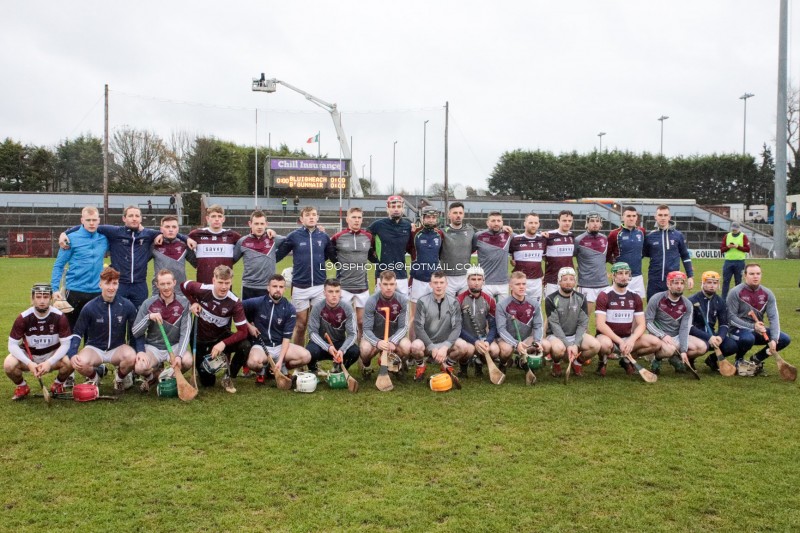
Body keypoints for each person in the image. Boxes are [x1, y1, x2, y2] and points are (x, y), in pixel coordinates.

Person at [60, 205, 181, 310]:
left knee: (137, 319)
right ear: (124, 218)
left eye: (137, 216)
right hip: (119, 284)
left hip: (140, 285)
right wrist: (65, 233)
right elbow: (89, 225)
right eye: (131, 215)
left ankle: (135, 338)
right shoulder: (114, 232)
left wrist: (187, 238)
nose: (134, 218)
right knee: (117, 319)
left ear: (141, 218)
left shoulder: (148, 234)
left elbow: (171, 233)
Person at [67, 268, 139, 393]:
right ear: (100, 284)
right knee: (80, 362)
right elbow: (78, 332)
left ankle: (119, 378)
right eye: (107, 283)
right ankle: (95, 377)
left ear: (118, 284)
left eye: (114, 283)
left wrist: (139, 351)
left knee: (132, 357)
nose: (111, 287)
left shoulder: (127, 305)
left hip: (117, 348)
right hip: (95, 348)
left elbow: (135, 333)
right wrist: (73, 353)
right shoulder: (90, 307)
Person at [181, 265, 249, 389]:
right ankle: (202, 369)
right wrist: (193, 302)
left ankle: (228, 376)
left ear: (231, 281)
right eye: (220, 282)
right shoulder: (202, 289)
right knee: (208, 383)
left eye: (227, 283)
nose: (224, 287)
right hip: (200, 339)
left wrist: (223, 343)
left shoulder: (235, 302)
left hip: (219, 338)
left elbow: (243, 332)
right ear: (213, 280)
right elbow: (183, 286)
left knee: (245, 345)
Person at [276, 206, 336, 345]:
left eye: (314, 214)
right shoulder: (294, 236)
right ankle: (299, 361)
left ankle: (313, 357)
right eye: (307, 215)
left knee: (318, 325)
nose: (311, 217)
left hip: (319, 286)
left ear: (317, 217)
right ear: (301, 219)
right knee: (301, 325)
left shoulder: (323, 236)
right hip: (300, 287)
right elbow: (278, 255)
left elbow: (332, 257)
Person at [5, 284, 72, 400]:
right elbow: (12, 345)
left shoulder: (60, 317)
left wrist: (49, 362)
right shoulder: (23, 318)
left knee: (71, 361)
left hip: (52, 356)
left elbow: (66, 344)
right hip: (30, 357)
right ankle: (22, 387)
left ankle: (58, 384)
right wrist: (29, 363)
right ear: (32, 299)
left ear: (51, 299)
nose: (42, 301)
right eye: (38, 296)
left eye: (46, 297)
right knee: (8, 365)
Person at [595, 263, 661, 377]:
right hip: (608, 338)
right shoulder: (604, 295)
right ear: (613, 276)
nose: (624, 276)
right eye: (620, 273)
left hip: (627, 337)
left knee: (656, 343)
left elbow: (641, 324)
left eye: (626, 273)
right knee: (603, 344)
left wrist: (631, 340)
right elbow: (600, 325)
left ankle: (626, 360)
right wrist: (620, 342)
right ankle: (602, 362)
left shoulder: (635, 296)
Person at [132, 270, 193, 391]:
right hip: (154, 348)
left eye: (169, 283)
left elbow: (185, 333)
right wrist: (148, 317)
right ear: (157, 285)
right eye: (162, 284)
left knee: (187, 361)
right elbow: (135, 332)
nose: (166, 287)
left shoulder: (184, 303)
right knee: (140, 367)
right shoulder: (148, 303)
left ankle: (168, 375)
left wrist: (179, 356)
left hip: (174, 346)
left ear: (174, 283)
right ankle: (152, 376)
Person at [244, 274, 311, 384]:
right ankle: (263, 369)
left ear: (285, 289)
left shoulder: (290, 308)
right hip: (261, 346)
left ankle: (282, 367)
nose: (277, 290)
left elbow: (286, 338)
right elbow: (237, 309)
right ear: (268, 288)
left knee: (306, 356)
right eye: (274, 286)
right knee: (252, 363)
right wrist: (249, 325)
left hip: (281, 346)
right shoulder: (258, 302)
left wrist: (280, 360)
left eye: (281, 287)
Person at [727, 263, 792, 374]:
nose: (755, 276)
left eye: (758, 274)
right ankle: (739, 359)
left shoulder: (767, 294)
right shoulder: (735, 292)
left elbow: (774, 318)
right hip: (736, 330)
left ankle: (756, 359)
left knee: (784, 339)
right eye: (752, 274)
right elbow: (731, 318)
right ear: (745, 276)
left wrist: (774, 339)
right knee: (748, 338)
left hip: (757, 329)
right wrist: (753, 326)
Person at [50, 206, 108, 329]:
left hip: (97, 292)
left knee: (93, 334)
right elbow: (59, 265)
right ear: (82, 220)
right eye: (88, 220)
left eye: (94, 220)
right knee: (70, 332)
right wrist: (55, 289)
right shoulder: (70, 239)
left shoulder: (104, 239)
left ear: (99, 220)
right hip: (74, 291)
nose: (91, 223)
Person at [645, 271, 707, 375]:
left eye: (682, 283)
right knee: (669, 350)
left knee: (702, 347)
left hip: (677, 336)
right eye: (675, 283)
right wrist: (662, 335)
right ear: (668, 284)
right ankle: (657, 359)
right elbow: (648, 322)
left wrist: (683, 351)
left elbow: (684, 328)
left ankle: (675, 357)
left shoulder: (687, 304)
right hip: (659, 336)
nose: (679, 286)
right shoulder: (657, 298)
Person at [544, 267, 601, 377]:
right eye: (565, 279)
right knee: (558, 349)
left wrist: (575, 344)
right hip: (555, 336)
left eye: (571, 279)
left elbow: (582, 323)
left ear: (575, 281)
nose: (568, 282)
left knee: (596, 345)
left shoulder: (581, 298)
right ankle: (556, 364)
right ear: (559, 281)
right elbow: (554, 325)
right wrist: (568, 344)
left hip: (575, 335)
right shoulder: (551, 299)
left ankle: (577, 363)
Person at [409, 270, 462, 382]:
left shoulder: (453, 302)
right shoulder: (422, 301)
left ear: (446, 284)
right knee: (415, 346)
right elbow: (418, 327)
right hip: (427, 343)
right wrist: (431, 346)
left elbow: (457, 327)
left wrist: (445, 346)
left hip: (445, 343)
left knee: (463, 346)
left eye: (441, 282)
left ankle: (447, 365)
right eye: (436, 282)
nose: (438, 286)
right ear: (430, 284)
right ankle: (421, 366)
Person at [330, 207, 372, 339]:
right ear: (347, 219)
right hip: (344, 286)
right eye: (354, 217)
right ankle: (343, 351)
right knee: (341, 322)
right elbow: (328, 252)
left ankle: (361, 353)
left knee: (361, 322)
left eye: (359, 217)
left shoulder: (368, 237)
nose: (357, 220)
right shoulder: (338, 237)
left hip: (362, 286)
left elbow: (373, 255)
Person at [359, 271, 412, 376]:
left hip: (393, 337)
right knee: (365, 349)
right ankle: (367, 365)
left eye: (391, 284)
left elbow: (403, 327)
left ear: (395, 285)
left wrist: (393, 341)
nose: (389, 287)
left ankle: (394, 363)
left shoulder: (402, 300)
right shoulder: (372, 301)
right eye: (385, 284)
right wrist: (378, 342)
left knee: (406, 346)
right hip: (376, 337)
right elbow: (366, 329)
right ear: (380, 285)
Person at [495, 272, 549, 372]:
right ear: (511, 286)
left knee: (545, 344)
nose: (521, 287)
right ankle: (503, 363)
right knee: (506, 350)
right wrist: (516, 344)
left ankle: (523, 362)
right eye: (517, 284)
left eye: (523, 284)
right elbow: (501, 329)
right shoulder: (502, 305)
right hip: (508, 341)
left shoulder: (534, 304)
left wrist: (537, 341)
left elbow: (539, 326)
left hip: (526, 340)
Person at [452, 266, 499, 378]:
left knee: (495, 350)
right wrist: (474, 341)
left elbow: (493, 326)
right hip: (464, 338)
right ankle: (463, 368)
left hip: (482, 337)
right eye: (473, 279)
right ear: (467, 280)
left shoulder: (490, 300)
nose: (476, 283)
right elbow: (456, 327)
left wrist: (487, 341)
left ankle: (479, 364)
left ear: (483, 281)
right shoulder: (458, 300)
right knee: (468, 349)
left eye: (479, 279)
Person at [688, 271, 738, 372]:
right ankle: (689, 359)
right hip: (694, 335)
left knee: (731, 346)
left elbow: (724, 324)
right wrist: (708, 337)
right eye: (709, 282)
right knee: (704, 346)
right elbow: (689, 327)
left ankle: (711, 359)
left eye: (715, 283)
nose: (712, 286)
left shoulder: (720, 301)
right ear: (703, 283)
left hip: (712, 335)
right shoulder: (692, 300)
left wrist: (720, 337)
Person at [306, 279, 359, 372]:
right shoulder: (317, 308)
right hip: (320, 344)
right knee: (310, 352)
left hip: (339, 344)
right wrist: (327, 347)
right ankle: (313, 370)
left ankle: (338, 369)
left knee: (355, 351)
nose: (334, 295)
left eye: (337, 291)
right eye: (330, 291)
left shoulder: (347, 308)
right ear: (324, 293)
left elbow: (352, 334)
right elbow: (312, 333)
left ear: (340, 293)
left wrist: (342, 350)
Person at [407, 206, 444, 339]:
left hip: (434, 282)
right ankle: (411, 348)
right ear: (422, 218)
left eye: (433, 217)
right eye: (428, 217)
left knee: (434, 316)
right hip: (417, 280)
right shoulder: (414, 233)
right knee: (415, 317)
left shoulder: (440, 234)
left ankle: (431, 347)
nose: (430, 220)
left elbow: (439, 255)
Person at [643, 204, 694, 300]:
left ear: (669, 217)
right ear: (655, 217)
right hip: (654, 280)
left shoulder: (678, 235)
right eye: (660, 215)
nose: (663, 218)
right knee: (652, 307)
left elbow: (685, 256)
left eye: (665, 215)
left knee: (672, 309)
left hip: (673, 280)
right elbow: (642, 255)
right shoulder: (650, 236)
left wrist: (690, 276)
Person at [234, 210, 285, 300]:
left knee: (267, 314)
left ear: (266, 224)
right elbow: (231, 260)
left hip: (268, 287)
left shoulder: (274, 239)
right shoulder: (242, 242)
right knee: (248, 314)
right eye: (256, 224)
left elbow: (293, 239)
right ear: (250, 224)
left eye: (262, 224)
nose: (259, 227)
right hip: (248, 287)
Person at [368, 195, 412, 295]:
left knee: (403, 306)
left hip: (401, 275)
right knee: (380, 306)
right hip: (382, 274)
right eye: (393, 207)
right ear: (387, 208)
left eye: (399, 206)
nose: (396, 209)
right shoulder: (377, 225)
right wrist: (373, 258)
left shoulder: (408, 226)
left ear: (403, 208)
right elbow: (364, 240)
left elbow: (412, 246)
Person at [188, 204, 242, 285]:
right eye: (213, 216)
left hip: (224, 285)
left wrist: (268, 231)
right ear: (207, 218)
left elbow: (248, 241)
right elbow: (180, 239)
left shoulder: (232, 235)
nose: (217, 219)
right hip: (203, 285)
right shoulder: (197, 234)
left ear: (223, 219)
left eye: (219, 216)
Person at [606, 206, 646, 298]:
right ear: (622, 217)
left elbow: (643, 251)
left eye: (633, 216)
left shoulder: (641, 232)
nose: (631, 218)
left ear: (636, 217)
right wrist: (616, 265)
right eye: (628, 216)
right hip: (620, 276)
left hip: (637, 276)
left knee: (637, 306)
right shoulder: (614, 234)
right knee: (618, 305)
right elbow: (607, 255)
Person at [573, 212, 609, 310]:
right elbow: (570, 258)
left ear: (601, 224)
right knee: (584, 318)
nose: (595, 224)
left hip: (604, 284)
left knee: (606, 317)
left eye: (597, 221)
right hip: (586, 285)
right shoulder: (578, 240)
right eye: (592, 221)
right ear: (587, 223)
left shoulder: (605, 239)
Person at [151, 215, 195, 297]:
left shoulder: (184, 245)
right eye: (167, 227)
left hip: (180, 292)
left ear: (178, 229)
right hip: (159, 292)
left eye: (174, 227)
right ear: (161, 229)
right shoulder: (154, 245)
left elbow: (197, 264)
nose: (171, 230)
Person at [508, 213, 546, 306]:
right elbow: (510, 257)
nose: (533, 225)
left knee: (535, 309)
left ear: (539, 224)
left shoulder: (543, 239)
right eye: (530, 222)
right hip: (520, 281)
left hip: (537, 281)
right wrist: (512, 261)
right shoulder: (515, 240)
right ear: (525, 223)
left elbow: (547, 258)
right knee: (518, 309)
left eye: (536, 223)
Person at [440, 201, 477, 297]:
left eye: (460, 213)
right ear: (449, 214)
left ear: (463, 214)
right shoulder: (442, 232)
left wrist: (503, 228)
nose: (458, 216)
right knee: (448, 308)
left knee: (464, 308)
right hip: (447, 276)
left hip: (465, 276)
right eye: (455, 213)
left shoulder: (470, 230)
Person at [474, 211, 513, 300]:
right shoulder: (478, 236)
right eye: (493, 221)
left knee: (503, 312)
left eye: (499, 221)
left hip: (503, 283)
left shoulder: (509, 235)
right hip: (485, 282)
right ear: (487, 223)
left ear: (502, 223)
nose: (496, 223)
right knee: (486, 311)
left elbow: (522, 241)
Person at [543, 210, 575, 297]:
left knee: (569, 307)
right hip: (551, 280)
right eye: (564, 220)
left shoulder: (571, 236)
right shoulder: (549, 236)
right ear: (558, 221)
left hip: (568, 280)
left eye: (569, 221)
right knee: (551, 307)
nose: (567, 223)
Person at [720, 222, 750, 299]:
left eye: (735, 230)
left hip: (739, 262)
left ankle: (738, 298)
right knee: (726, 281)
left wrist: (738, 247)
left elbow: (747, 249)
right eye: (733, 229)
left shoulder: (743, 236)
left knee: (738, 282)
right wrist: (728, 247)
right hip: (728, 262)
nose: (734, 231)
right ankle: (723, 299)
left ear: (739, 229)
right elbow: (722, 249)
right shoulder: (727, 236)